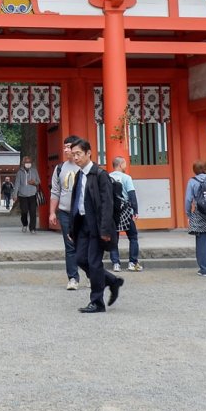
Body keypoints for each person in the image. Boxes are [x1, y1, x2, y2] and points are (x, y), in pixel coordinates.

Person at [68, 138, 123, 313]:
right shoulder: (79, 175)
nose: (75, 157)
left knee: (93, 262)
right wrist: (71, 228)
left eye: (79, 154)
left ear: (88, 153)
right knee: (80, 259)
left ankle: (97, 302)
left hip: (98, 225)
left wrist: (106, 229)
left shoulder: (100, 175)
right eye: (73, 154)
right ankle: (112, 281)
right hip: (82, 223)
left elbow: (107, 204)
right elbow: (75, 202)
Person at [48, 134, 81, 289]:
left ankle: (90, 274)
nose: (66, 149)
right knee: (70, 245)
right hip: (65, 212)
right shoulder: (59, 168)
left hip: (83, 213)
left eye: (69, 146)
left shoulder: (86, 167)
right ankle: (73, 277)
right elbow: (55, 191)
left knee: (86, 245)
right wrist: (52, 212)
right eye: (65, 146)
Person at [109, 155, 142, 272]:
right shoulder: (127, 178)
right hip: (126, 211)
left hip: (112, 212)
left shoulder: (108, 177)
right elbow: (132, 195)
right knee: (133, 237)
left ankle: (116, 263)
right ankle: (132, 263)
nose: (125, 166)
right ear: (121, 165)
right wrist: (136, 211)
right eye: (125, 164)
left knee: (114, 238)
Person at [11, 154, 41, 233]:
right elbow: (17, 184)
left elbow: (38, 181)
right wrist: (15, 195)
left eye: (29, 162)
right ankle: (25, 224)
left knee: (33, 212)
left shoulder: (34, 171)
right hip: (22, 195)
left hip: (32, 194)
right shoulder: (20, 172)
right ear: (23, 163)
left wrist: (34, 182)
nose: (28, 164)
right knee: (24, 211)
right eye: (26, 162)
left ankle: (32, 228)